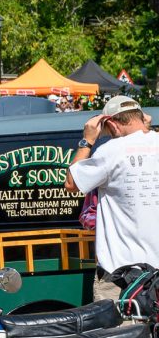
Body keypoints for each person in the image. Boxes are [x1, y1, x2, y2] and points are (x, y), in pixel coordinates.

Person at [66, 96, 159, 301]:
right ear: (141, 116)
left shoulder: (111, 151)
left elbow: (71, 183)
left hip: (121, 274)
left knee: (119, 333)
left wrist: (87, 140)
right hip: (155, 272)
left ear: (112, 124)